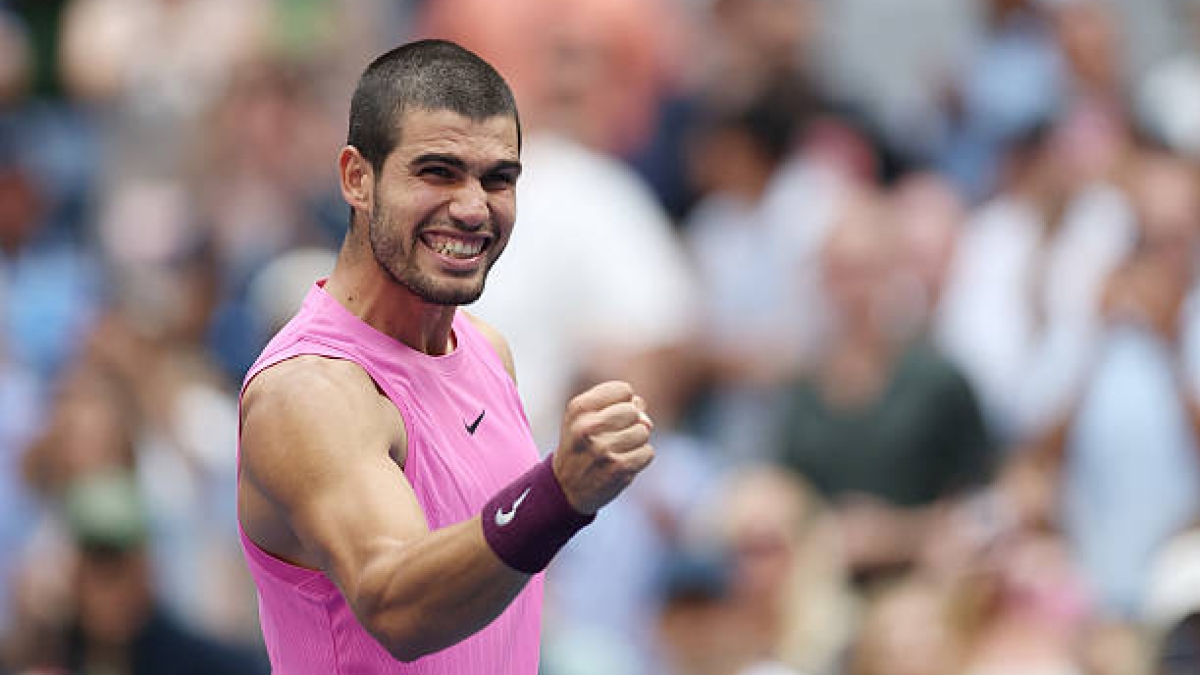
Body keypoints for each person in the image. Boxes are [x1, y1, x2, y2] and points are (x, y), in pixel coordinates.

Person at [236, 39, 656, 673]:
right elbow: (396, 605)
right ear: (357, 178)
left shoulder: (488, 351)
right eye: (438, 172)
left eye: (498, 179)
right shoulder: (309, 391)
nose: (472, 208)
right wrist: (560, 494)